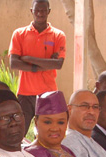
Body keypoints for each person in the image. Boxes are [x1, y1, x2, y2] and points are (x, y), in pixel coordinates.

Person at [9, 0, 65, 134]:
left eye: (43, 10)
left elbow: (58, 64)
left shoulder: (58, 35)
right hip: (25, 93)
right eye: (37, 10)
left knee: (49, 133)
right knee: (19, 132)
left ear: (49, 11)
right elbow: (14, 63)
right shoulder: (19, 34)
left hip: (48, 94)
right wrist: (43, 65)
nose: (40, 13)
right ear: (31, 11)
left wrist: (28, 59)